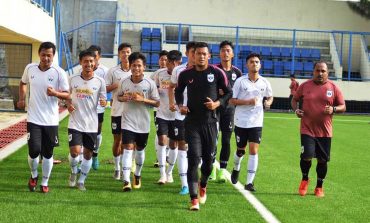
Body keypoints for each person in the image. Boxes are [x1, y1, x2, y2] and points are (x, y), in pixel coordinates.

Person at [175, 42, 232, 211]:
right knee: (193, 159)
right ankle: (193, 199)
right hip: (192, 123)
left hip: (210, 123)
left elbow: (229, 92)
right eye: (197, 53)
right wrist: (181, 106)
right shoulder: (185, 75)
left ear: (209, 56)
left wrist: (217, 104)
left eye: (204, 54)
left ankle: (203, 184)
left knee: (207, 163)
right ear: (193, 56)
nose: (200, 56)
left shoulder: (217, 73)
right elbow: (178, 91)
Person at [18, 41, 70, 193]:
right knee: (34, 150)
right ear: (39, 54)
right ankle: (34, 175)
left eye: (49, 55)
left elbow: (67, 95)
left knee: (48, 153)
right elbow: (22, 83)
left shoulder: (59, 72)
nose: (46, 58)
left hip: (51, 121)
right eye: (43, 55)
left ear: (53, 56)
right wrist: (22, 99)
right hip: (33, 118)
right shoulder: (30, 68)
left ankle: (45, 182)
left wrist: (55, 93)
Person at [291, 61, 345, 198]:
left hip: (325, 132)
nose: (320, 73)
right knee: (307, 156)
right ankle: (304, 179)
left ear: (328, 73)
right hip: (307, 129)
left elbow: (343, 106)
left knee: (322, 160)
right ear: (313, 71)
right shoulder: (304, 86)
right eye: (318, 71)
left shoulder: (333, 88)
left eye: (323, 71)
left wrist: (333, 109)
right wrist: (296, 109)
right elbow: (294, 99)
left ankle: (319, 187)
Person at [229, 52, 273, 192]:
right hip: (241, 121)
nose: (254, 64)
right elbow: (231, 100)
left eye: (257, 62)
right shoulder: (240, 81)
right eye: (252, 62)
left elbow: (270, 96)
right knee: (241, 150)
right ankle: (236, 168)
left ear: (260, 65)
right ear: (247, 65)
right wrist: (248, 102)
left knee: (253, 150)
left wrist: (268, 103)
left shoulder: (264, 82)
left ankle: (249, 183)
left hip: (256, 121)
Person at [117, 52, 160, 191]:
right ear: (130, 66)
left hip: (143, 123)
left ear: (144, 67)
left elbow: (157, 103)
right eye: (134, 65)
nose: (136, 68)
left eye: (139, 65)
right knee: (128, 148)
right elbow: (118, 97)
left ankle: (137, 174)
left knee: (140, 150)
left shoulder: (150, 83)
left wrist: (143, 99)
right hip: (127, 121)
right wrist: (125, 98)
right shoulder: (124, 82)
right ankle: (126, 180)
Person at [67, 50, 107, 191]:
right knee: (75, 152)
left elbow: (103, 99)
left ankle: (81, 181)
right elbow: (67, 95)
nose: (89, 64)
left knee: (88, 153)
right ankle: (73, 171)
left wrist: (103, 102)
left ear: (95, 63)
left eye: (91, 61)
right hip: (75, 121)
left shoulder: (100, 81)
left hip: (91, 123)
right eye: (86, 61)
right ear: (80, 62)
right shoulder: (73, 79)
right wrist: (68, 104)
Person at [211, 40, 242, 182]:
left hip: (230, 110)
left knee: (226, 141)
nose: (225, 53)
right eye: (223, 50)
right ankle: (211, 169)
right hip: (215, 108)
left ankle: (222, 170)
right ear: (219, 53)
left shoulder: (237, 72)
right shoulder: (213, 69)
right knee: (212, 140)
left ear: (233, 54)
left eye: (228, 50)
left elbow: (239, 92)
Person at [168, 41, 197, 195]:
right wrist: (174, 103)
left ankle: (199, 179)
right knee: (182, 147)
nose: (195, 55)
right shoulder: (179, 70)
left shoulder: (207, 71)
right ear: (187, 54)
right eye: (193, 52)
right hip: (181, 115)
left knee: (199, 150)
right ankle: (185, 184)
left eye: (198, 52)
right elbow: (172, 87)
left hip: (200, 116)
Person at [152, 50, 182, 184]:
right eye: (172, 63)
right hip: (162, 113)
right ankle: (162, 174)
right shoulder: (159, 74)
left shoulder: (183, 74)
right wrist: (156, 92)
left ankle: (170, 172)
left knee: (174, 143)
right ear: (168, 62)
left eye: (178, 63)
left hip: (177, 115)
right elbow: (153, 90)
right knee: (162, 140)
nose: (175, 66)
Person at [105, 43, 132, 180]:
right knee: (118, 140)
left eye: (128, 52)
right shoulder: (113, 71)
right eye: (123, 52)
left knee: (129, 142)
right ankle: (117, 168)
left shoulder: (136, 70)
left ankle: (126, 167)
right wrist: (115, 85)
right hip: (117, 111)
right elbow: (104, 89)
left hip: (132, 113)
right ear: (119, 54)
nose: (125, 54)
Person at [86, 45, 109, 170]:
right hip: (85, 108)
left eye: (95, 56)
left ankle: (95, 154)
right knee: (83, 131)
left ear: (99, 56)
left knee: (97, 131)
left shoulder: (105, 71)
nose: (92, 59)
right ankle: (81, 158)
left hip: (99, 108)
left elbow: (107, 87)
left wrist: (102, 97)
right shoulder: (82, 69)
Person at [151, 50, 168, 168]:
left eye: (166, 59)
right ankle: (159, 158)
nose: (163, 61)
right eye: (161, 59)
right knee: (160, 134)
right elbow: (150, 90)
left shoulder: (175, 74)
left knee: (171, 136)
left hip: (172, 110)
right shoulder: (155, 74)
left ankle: (166, 156)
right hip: (158, 109)